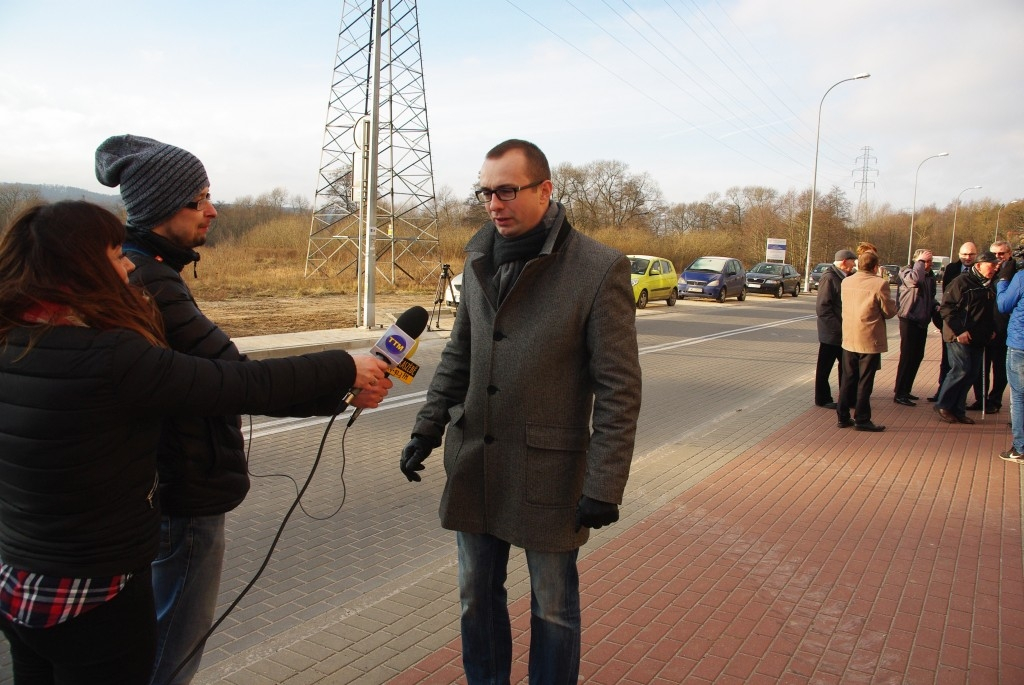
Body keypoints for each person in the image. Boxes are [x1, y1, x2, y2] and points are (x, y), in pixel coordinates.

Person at [0, 201, 392, 685]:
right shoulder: (111, 357)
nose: (128, 265)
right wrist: (344, 366)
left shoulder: (14, 338)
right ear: (79, 266)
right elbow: (236, 384)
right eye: (115, 254)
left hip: (21, 581)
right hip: (96, 590)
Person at [397, 139, 642, 683]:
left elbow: (619, 388)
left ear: (545, 190)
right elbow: (460, 353)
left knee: (553, 606)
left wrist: (604, 483)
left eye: (506, 190)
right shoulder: (479, 254)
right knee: (474, 598)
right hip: (477, 463)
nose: (494, 203)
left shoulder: (598, 268)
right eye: (486, 191)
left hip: (548, 473)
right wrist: (427, 427)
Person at [934, 250, 999, 424]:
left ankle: (958, 409)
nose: (995, 268)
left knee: (972, 373)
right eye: (991, 265)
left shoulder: (989, 284)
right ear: (978, 265)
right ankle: (944, 405)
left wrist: (992, 329)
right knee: (960, 369)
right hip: (958, 335)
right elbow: (947, 308)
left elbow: (990, 311)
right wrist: (959, 331)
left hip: (979, 336)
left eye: (996, 265)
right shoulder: (961, 282)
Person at [837, 249, 896, 432]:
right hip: (869, 338)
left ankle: (843, 415)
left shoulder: (846, 281)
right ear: (876, 267)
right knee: (865, 381)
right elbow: (889, 312)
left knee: (848, 378)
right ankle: (862, 418)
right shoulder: (880, 284)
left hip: (849, 336)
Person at [930, 242, 979, 402]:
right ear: (959, 254)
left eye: (971, 254)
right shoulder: (952, 268)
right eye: (964, 254)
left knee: (970, 366)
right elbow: (947, 296)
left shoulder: (979, 270)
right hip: (952, 322)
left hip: (972, 323)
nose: (967, 258)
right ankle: (942, 392)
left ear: (976, 255)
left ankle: (971, 397)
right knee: (948, 361)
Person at [968, 240, 1011, 413]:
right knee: (979, 367)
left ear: (1009, 254)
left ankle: (995, 400)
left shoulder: (1012, 274)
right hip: (982, 328)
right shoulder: (984, 274)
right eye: (994, 254)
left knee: (1000, 368)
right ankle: (981, 399)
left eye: (1002, 254)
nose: (998, 258)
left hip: (1002, 329)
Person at [893, 249, 938, 406]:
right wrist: (920, 262)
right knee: (907, 356)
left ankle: (906, 389)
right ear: (917, 261)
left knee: (917, 356)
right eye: (926, 261)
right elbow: (915, 281)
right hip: (909, 319)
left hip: (922, 320)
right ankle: (899, 392)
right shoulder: (906, 272)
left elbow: (930, 297)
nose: (930, 264)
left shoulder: (929, 276)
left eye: (930, 261)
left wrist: (936, 306)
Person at [814, 249, 856, 408]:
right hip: (831, 333)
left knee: (847, 367)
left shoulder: (845, 277)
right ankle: (822, 398)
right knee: (825, 367)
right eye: (852, 261)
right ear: (845, 261)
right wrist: (838, 328)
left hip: (843, 332)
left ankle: (847, 398)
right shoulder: (829, 278)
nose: (854, 265)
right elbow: (823, 308)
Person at [995, 252, 1024, 461]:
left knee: (1019, 397)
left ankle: (1021, 447)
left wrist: (1003, 281)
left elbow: (1004, 304)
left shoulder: (1021, 277)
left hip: (1020, 343)